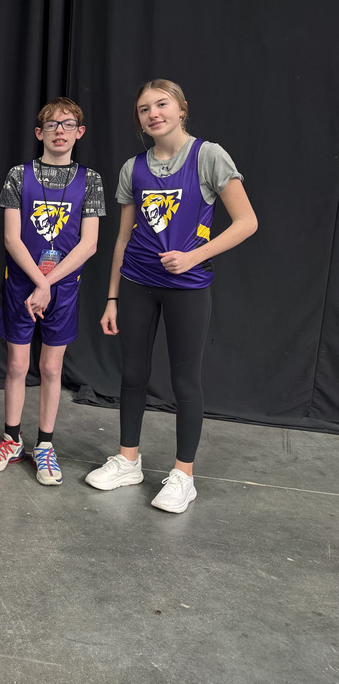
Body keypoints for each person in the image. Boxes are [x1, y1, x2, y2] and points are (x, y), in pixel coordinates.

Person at [88, 79, 257, 513]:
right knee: (131, 374)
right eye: (144, 109)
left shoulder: (209, 156)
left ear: (182, 109)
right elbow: (122, 239)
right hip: (136, 283)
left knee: (184, 382)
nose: (153, 114)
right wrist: (111, 297)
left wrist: (194, 256)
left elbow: (246, 223)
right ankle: (128, 460)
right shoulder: (133, 168)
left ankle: (183, 475)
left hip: (187, 286)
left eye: (161, 104)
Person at [0, 98, 105, 485]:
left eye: (68, 125)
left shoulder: (92, 179)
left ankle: (45, 445)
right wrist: (37, 281)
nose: (59, 131)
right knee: (18, 365)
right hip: (22, 283)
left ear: (79, 132)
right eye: (51, 125)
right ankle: (12, 438)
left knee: (52, 367)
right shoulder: (19, 174)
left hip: (63, 287)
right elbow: (10, 236)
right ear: (39, 133)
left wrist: (48, 285)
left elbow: (89, 245)